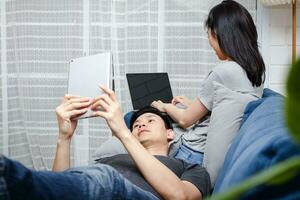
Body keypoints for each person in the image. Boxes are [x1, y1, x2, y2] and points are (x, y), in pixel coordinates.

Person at [0, 85, 211, 200]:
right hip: (97, 189)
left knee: (106, 178)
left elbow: (181, 197)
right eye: (136, 123)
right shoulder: (110, 158)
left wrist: (122, 131)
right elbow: (61, 184)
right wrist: (64, 137)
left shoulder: (189, 168)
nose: (140, 124)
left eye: (150, 120)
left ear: (170, 134)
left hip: (125, 191)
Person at [151, 0, 266, 165]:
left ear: (219, 34)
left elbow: (185, 120)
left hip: (191, 152)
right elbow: (222, 107)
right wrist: (191, 103)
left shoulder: (223, 71)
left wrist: (164, 107)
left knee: (139, 120)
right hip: (199, 150)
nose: (208, 40)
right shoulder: (254, 70)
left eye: (208, 33)